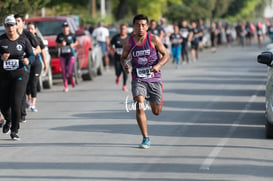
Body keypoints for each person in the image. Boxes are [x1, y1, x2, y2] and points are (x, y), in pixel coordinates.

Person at [120, 14, 170, 149]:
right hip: (138, 79)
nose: (140, 28)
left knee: (156, 111)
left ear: (147, 27)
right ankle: (145, 138)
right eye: (137, 25)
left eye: (143, 25)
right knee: (139, 104)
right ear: (134, 27)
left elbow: (166, 55)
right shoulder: (128, 43)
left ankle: (152, 99)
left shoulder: (153, 39)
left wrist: (158, 66)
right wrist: (125, 66)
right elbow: (123, 58)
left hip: (154, 79)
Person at [0, 15, 35, 140]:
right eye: (8, 26)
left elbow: (32, 55)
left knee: (15, 102)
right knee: (3, 104)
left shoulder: (23, 40)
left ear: (16, 26)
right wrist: (1, 57)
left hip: (20, 74)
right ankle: (8, 120)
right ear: (5, 27)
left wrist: (28, 60)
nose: (10, 28)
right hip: (4, 76)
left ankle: (14, 130)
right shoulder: (1, 40)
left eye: (12, 25)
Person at [14, 13, 41, 122]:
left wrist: (29, 54)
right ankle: (19, 112)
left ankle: (22, 113)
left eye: (18, 21)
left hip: (28, 64)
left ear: (23, 23)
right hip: (15, 66)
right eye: (14, 21)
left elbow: (38, 48)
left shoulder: (27, 34)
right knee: (18, 89)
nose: (16, 24)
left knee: (24, 87)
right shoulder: (10, 35)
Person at [26, 22, 48, 111]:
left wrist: (45, 64)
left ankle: (33, 104)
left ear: (35, 30)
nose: (30, 30)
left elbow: (42, 52)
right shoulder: (24, 39)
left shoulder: (38, 40)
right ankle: (28, 99)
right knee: (27, 83)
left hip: (36, 64)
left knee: (34, 83)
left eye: (31, 28)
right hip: (27, 63)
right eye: (28, 29)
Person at [56, 22, 78, 92]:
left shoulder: (72, 35)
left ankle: (71, 78)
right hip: (63, 56)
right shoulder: (60, 36)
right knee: (64, 71)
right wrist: (61, 45)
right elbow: (56, 45)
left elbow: (77, 42)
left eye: (66, 27)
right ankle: (65, 86)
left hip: (71, 55)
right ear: (62, 28)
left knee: (70, 71)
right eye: (64, 27)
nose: (65, 29)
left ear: (68, 28)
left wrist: (73, 45)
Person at [111, 24, 129, 91]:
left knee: (125, 71)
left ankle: (124, 85)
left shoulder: (129, 38)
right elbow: (110, 44)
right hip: (117, 57)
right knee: (118, 71)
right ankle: (118, 76)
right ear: (120, 29)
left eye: (124, 29)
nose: (122, 30)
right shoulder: (116, 37)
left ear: (126, 30)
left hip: (126, 58)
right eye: (121, 29)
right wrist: (113, 49)